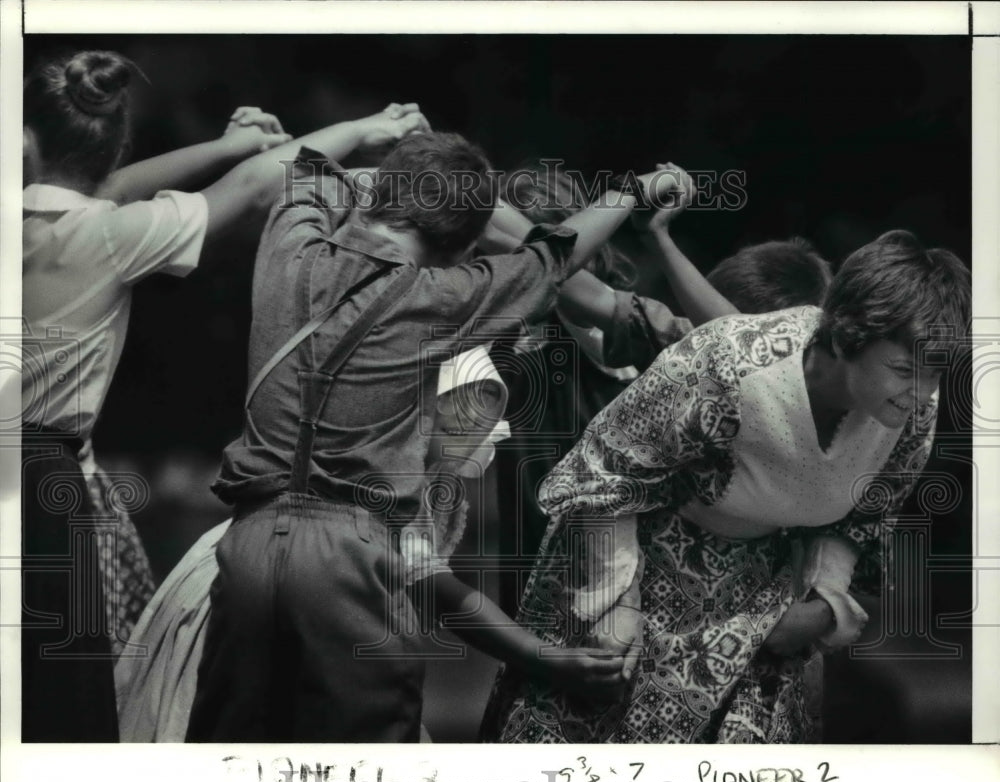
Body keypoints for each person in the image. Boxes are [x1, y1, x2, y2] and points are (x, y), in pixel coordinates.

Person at [184, 130, 686, 742]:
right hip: (351, 555)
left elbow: (305, 167)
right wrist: (632, 192)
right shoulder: (445, 297)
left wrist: (375, 136)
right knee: (367, 762)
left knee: (231, 754)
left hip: (247, 548)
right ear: (461, 247)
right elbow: (554, 256)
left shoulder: (291, 248)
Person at [20, 47, 427, 741]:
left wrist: (225, 142)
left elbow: (104, 186)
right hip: (36, 486)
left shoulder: (52, 220)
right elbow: (251, 187)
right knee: (55, 703)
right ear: (116, 138)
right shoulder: (108, 237)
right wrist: (363, 128)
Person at [481, 228, 970, 743]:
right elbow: (605, 475)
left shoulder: (912, 412)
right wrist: (616, 603)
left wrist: (824, 604)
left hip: (768, 595)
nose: (920, 393)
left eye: (934, 376)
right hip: (632, 565)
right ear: (849, 336)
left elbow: (867, 516)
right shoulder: (728, 364)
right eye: (902, 370)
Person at [115, 346, 507, 742]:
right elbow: (433, 585)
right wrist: (534, 652)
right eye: (455, 427)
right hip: (270, 587)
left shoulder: (424, 479)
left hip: (320, 593)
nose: (464, 444)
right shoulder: (376, 468)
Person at [490, 163, 832, 615]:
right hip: (548, 601)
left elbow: (737, 346)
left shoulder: (644, 346)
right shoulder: (485, 324)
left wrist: (635, 201)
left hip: (643, 610)